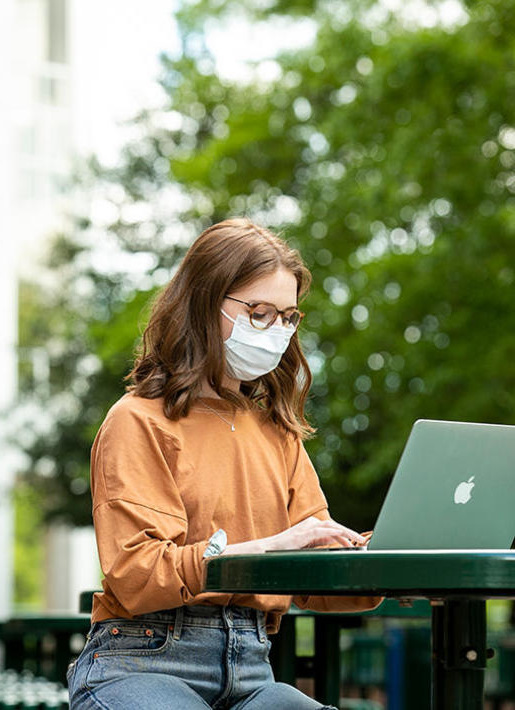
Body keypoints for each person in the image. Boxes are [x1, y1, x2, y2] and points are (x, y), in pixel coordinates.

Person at [67, 218, 382, 710]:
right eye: (259, 312)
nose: (277, 331)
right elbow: (137, 573)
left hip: (254, 666)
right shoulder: (138, 420)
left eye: (288, 317)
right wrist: (267, 547)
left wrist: (385, 565)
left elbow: (317, 581)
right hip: (143, 660)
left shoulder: (278, 433)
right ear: (201, 305)